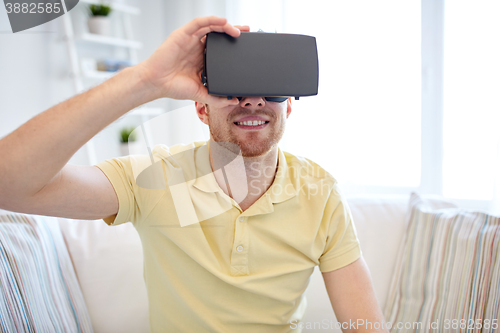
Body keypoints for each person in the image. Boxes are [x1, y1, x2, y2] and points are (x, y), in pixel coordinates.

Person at [0, 16, 388, 332]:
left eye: (271, 89)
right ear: (201, 108)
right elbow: (9, 184)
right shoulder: (154, 177)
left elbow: (365, 327)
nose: (253, 99)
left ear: (288, 107)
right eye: (234, 87)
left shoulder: (320, 193)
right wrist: (145, 80)